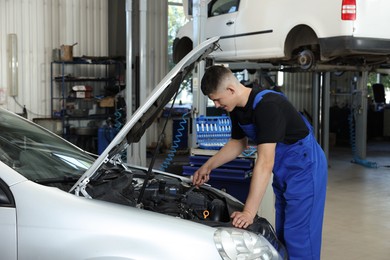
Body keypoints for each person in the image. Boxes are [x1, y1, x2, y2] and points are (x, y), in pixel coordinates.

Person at [192, 65, 327, 260]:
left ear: (230, 90)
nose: (216, 105)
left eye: (217, 99)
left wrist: (248, 212)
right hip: (285, 168)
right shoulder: (237, 108)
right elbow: (238, 143)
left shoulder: (268, 106)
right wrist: (208, 166)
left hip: (306, 168)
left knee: (300, 236)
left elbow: (264, 162)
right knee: (283, 231)